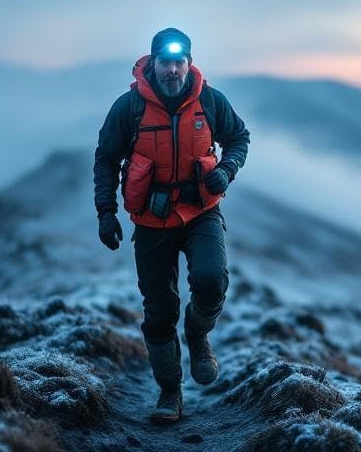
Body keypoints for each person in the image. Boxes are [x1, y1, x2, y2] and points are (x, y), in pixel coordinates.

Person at [93, 27, 250, 424]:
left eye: (181, 61)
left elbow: (239, 138)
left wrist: (227, 171)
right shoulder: (128, 108)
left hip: (202, 211)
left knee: (212, 280)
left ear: (190, 63)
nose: (174, 69)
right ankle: (170, 393)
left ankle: (197, 334)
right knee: (159, 311)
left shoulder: (211, 101)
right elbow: (106, 159)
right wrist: (106, 213)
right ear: (153, 63)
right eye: (166, 61)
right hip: (151, 218)